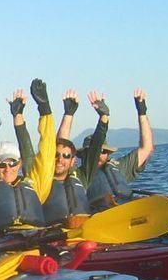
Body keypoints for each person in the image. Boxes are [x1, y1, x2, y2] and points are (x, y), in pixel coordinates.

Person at [0, 79, 55, 233]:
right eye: (2, 164)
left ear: (19, 163)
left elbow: (47, 152)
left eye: (12, 163)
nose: (8, 169)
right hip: (3, 244)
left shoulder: (35, 185)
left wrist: (44, 108)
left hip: (36, 241)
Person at [18, 90, 107, 226]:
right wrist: (18, 116)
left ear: (73, 161)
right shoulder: (40, 180)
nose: (60, 159)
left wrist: (104, 117)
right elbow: (26, 151)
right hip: (54, 237)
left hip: (85, 234)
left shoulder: (82, 177)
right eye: (56, 155)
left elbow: (96, 146)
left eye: (66, 156)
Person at [81, 89, 155, 212]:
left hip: (129, 206)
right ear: (83, 155)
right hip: (102, 213)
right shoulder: (78, 176)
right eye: (93, 152)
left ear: (108, 153)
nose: (99, 155)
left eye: (103, 151)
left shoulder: (119, 167)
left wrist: (142, 112)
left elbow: (146, 148)